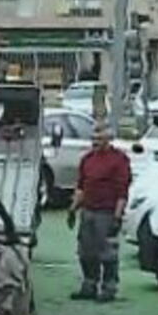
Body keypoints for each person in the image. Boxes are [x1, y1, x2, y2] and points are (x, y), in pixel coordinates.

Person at [67, 124, 131, 303]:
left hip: (107, 212)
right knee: (86, 251)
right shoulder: (87, 159)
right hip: (88, 211)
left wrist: (117, 217)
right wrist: (73, 209)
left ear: (108, 140)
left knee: (108, 253)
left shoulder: (119, 160)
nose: (95, 142)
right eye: (93, 139)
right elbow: (81, 187)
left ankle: (109, 288)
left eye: (99, 139)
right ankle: (89, 285)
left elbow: (122, 192)